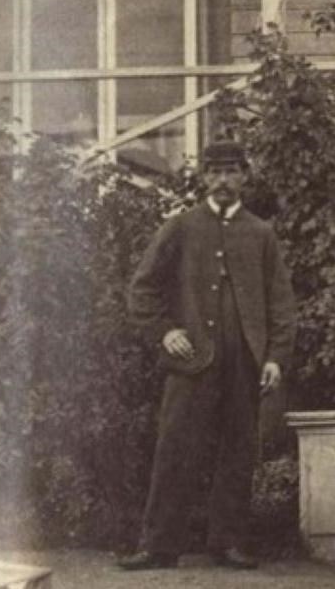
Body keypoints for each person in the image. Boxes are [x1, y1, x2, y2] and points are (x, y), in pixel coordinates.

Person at [118, 140, 297, 571]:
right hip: (192, 360)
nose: (222, 180)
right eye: (214, 171)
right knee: (176, 447)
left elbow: (281, 304)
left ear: (244, 177)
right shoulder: (180, 226)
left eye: (231, 171)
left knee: (238, 450)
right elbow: (142, 289)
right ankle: (160, 545)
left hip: (245, 362)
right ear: (203, 177)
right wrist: (164, 333)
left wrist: (274, 357)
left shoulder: (260, 233)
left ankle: (228, 542)